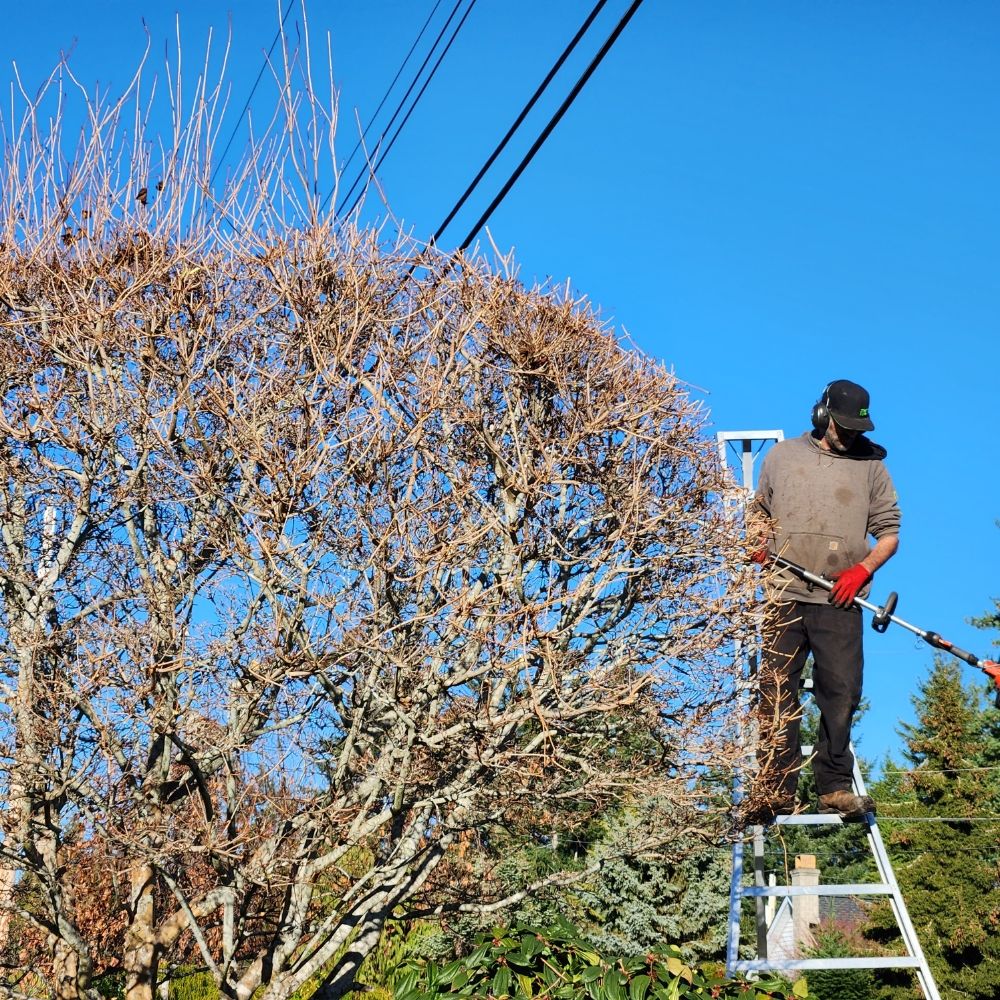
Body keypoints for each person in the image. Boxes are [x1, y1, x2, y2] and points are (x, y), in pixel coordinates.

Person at [751, 379, 901, 821]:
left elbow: (889, 534)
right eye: (842, 427)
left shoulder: (871, 468)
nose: (849, 436)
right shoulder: (782, 457)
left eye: (857, 429)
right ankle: (775, 788)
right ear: (821, 415)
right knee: (777, 692)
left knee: (842, 694)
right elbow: (758, 512)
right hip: (784, 592)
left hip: (840, 599)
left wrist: (863, 570)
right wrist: (757, 541)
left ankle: (834, 786)